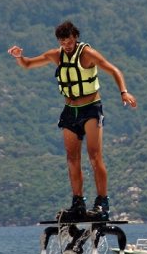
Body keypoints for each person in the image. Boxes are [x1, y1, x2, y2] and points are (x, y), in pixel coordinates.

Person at [8, 21, 137, 221]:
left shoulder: (88, 54)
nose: (67, 44)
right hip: (70, 111)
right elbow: (28, 64)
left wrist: (124, 92)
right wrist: (19, 57)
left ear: (75, 37)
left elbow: (113, 70)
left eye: (69, 40)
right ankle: (78, 203)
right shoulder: (56, 55)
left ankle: (102, 203)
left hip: (91, 109)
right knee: (72, 158)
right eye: (63, 41)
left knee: (95, 156)